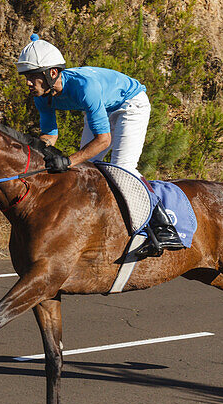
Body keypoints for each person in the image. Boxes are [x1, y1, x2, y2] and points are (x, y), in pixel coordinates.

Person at [16, 34, 184, 259]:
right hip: (102, 108)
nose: (28, 83)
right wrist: (38, 156)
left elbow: (103, 141)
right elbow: (50, 134)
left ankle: (163, 226)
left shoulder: (85, 88)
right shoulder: (41, 96)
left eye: (32, 77)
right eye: (26, 77)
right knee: (87, 170)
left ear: (52, 73)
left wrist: (67, 160)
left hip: (130, 104)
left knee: (122, 168)